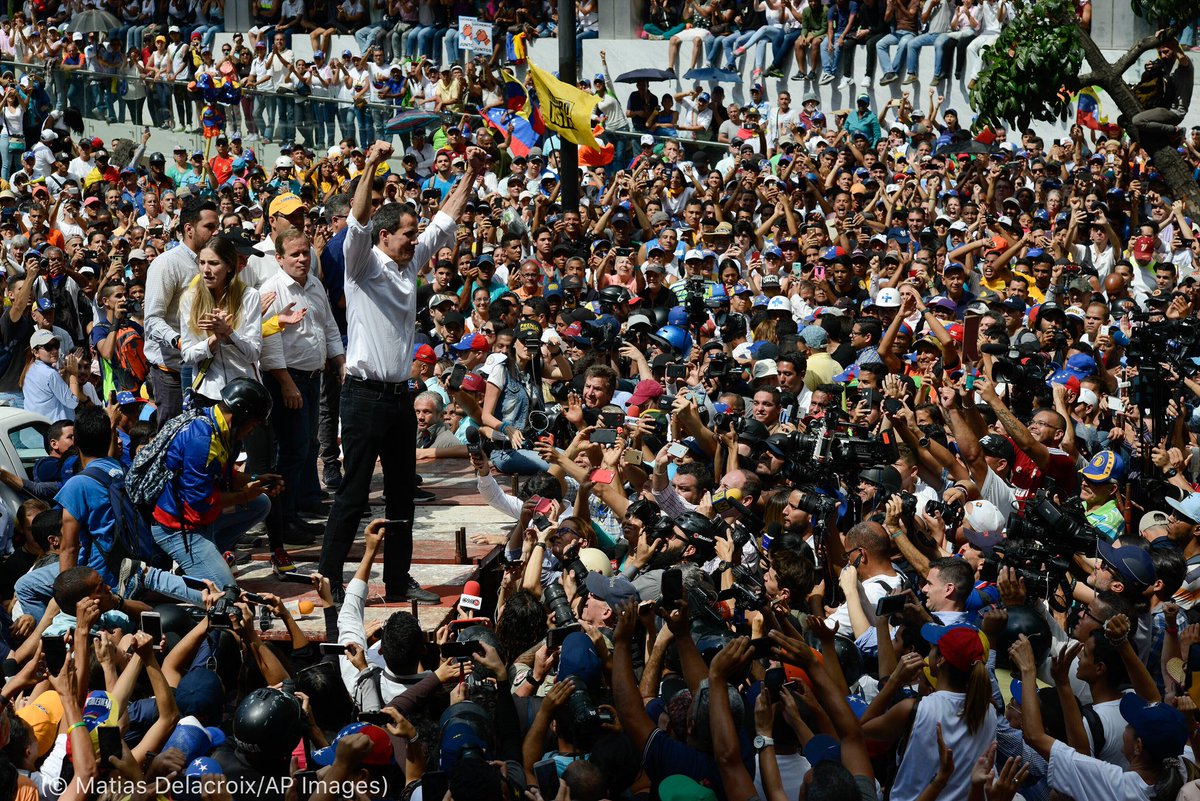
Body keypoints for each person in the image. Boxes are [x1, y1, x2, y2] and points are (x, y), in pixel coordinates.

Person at [316, 140, 486, 605]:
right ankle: (328, 579)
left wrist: (470, 174)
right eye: (408, 234)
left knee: (401, 498)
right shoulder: (361, 265)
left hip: (399, 399)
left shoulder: (409, 265)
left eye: (415, 233)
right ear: (384, 236)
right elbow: (357, 220)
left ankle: (395, 581)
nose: (416, 240)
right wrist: (370, 165)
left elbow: (446, 220)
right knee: (352, 497)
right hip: (362, 397)